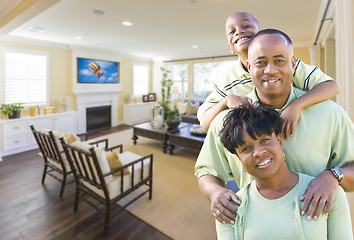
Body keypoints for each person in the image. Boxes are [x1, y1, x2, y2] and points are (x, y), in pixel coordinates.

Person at [195, 29, 354, 225]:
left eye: (279, 61)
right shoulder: (227, 122)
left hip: (316, 229)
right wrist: (215, 192)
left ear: (293, 63)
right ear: (248, 66)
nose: (270, 70)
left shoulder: (330, 113)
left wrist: (334, 175)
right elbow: (206, 171)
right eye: (261, 63)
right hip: (255, 229)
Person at [215, 104, 352, 239]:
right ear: (239, 158)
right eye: (246, 149)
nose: (258, 152)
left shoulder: (326, 192)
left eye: (265, 140)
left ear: (279, 141)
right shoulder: (229, 209)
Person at [197, 12, 340, 140]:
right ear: (230, 47)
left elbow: (332, 86)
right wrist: (225, 101)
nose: (239, 31)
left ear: (260, 34)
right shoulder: (227, 79)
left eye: (246, 26)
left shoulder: (286, 65)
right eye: (232, 31)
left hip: (298, 134)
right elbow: (204, 124)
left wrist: (297, 105)